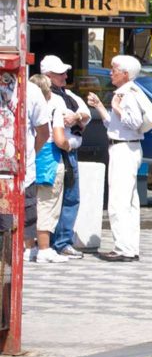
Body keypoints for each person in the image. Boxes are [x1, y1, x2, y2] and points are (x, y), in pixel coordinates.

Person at [86, 55, 152, 262]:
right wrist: (101, 106)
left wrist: (117, 107)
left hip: (124, 149)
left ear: (125, 73)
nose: (111, 72)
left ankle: (123, 248)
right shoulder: (126, 92)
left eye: (114, 69)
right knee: (129, 200)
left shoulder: (127, 94)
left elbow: (133, 122)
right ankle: (129, 246)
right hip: (126, 147)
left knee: (120, 201)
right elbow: (113, 124)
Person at [42, 55, 90, 259]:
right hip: (58, 149)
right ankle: (50, 242)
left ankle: (59, 241)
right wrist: (67, 143)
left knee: (69, 197)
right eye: (60, 73)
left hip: (69, 149)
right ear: (48, 76)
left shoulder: (68, 94)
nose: (65, 76)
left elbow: (85, 113)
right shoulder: (47, 97)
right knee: (50, 198)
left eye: (64, 72)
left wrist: (77, 116)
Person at [29, 74, 68, 263]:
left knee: (30, 204)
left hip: (29, 160)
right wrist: (71, 145)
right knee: (47, 204)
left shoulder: (23, 105)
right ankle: (44, 248)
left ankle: (29, 247)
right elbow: (59, 139)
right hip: (50, 159)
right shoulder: (54, 108)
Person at [20, 74, 51, 261]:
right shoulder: (32, 91)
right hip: (23, 167)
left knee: (22, 220)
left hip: (22, 172)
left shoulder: (31, 91)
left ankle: (27, 247)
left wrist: (28, 155)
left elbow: (43, 132)